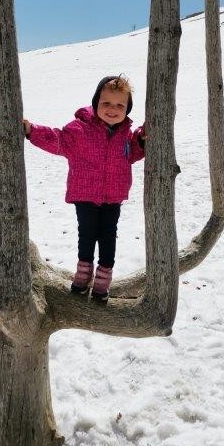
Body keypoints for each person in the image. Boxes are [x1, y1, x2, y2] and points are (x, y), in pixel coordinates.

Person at [23, 75, 145, 303]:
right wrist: (31, 131)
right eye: (106, 103)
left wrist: (144, 137)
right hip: (85, 194)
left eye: (120, 105)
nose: (112, 109)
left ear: (127, 109)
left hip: (113, 196)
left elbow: (136, 151)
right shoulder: (80, 130)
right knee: (87, 234)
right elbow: (56, 139)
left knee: (108, 235)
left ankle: (103, 280)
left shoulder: (126, 135)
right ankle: (83, 274)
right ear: (96, 102)